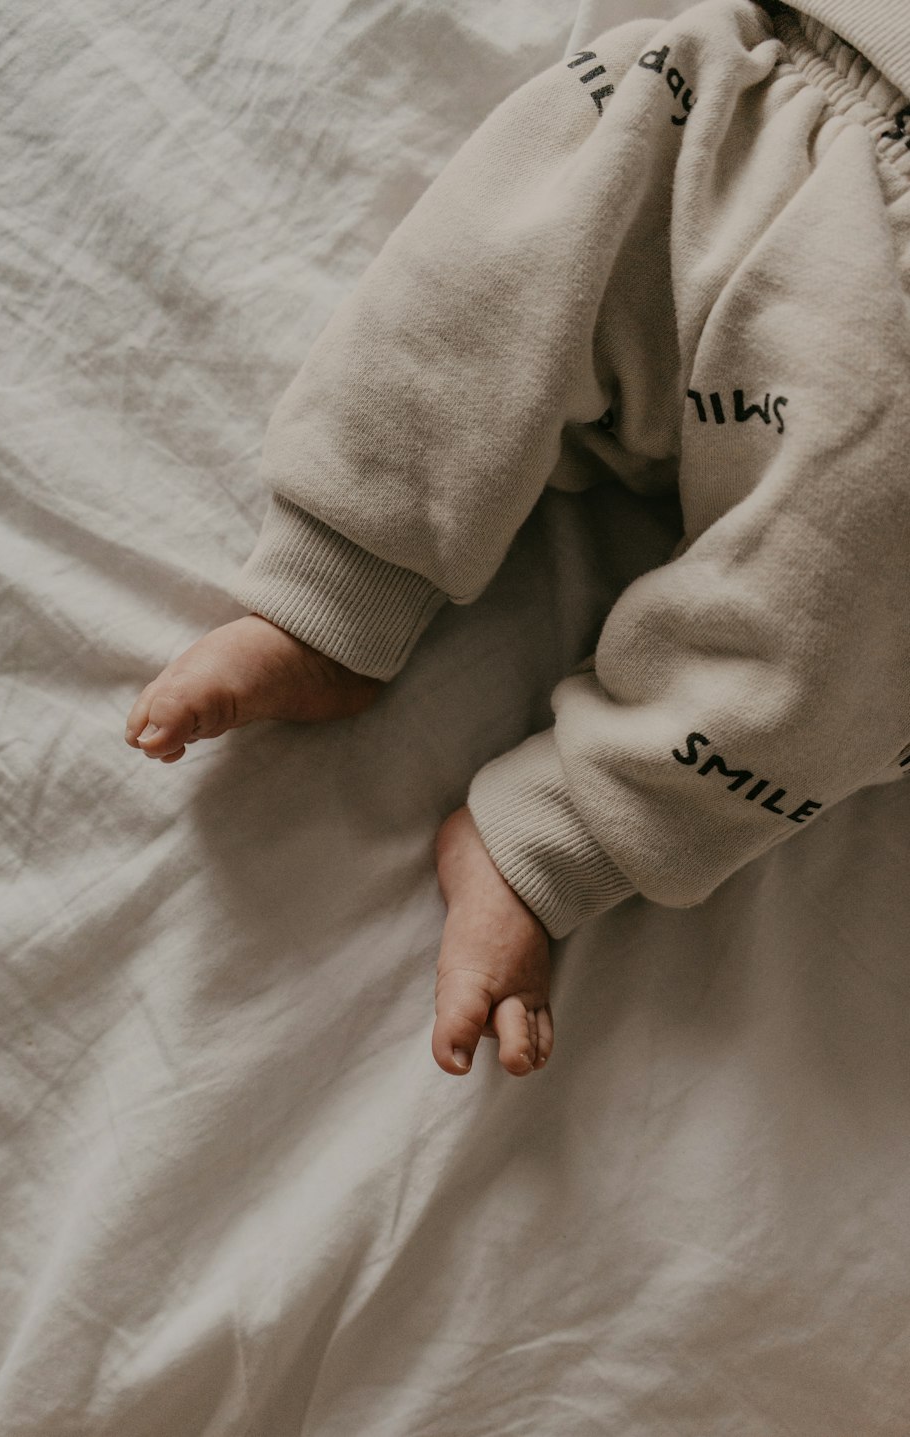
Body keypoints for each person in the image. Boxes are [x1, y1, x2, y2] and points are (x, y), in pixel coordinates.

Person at [126, 0, 910, 1079]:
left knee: (850, 635)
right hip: (765, 92)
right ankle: (339, 580)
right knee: (501, 253)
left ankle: (566, 826)